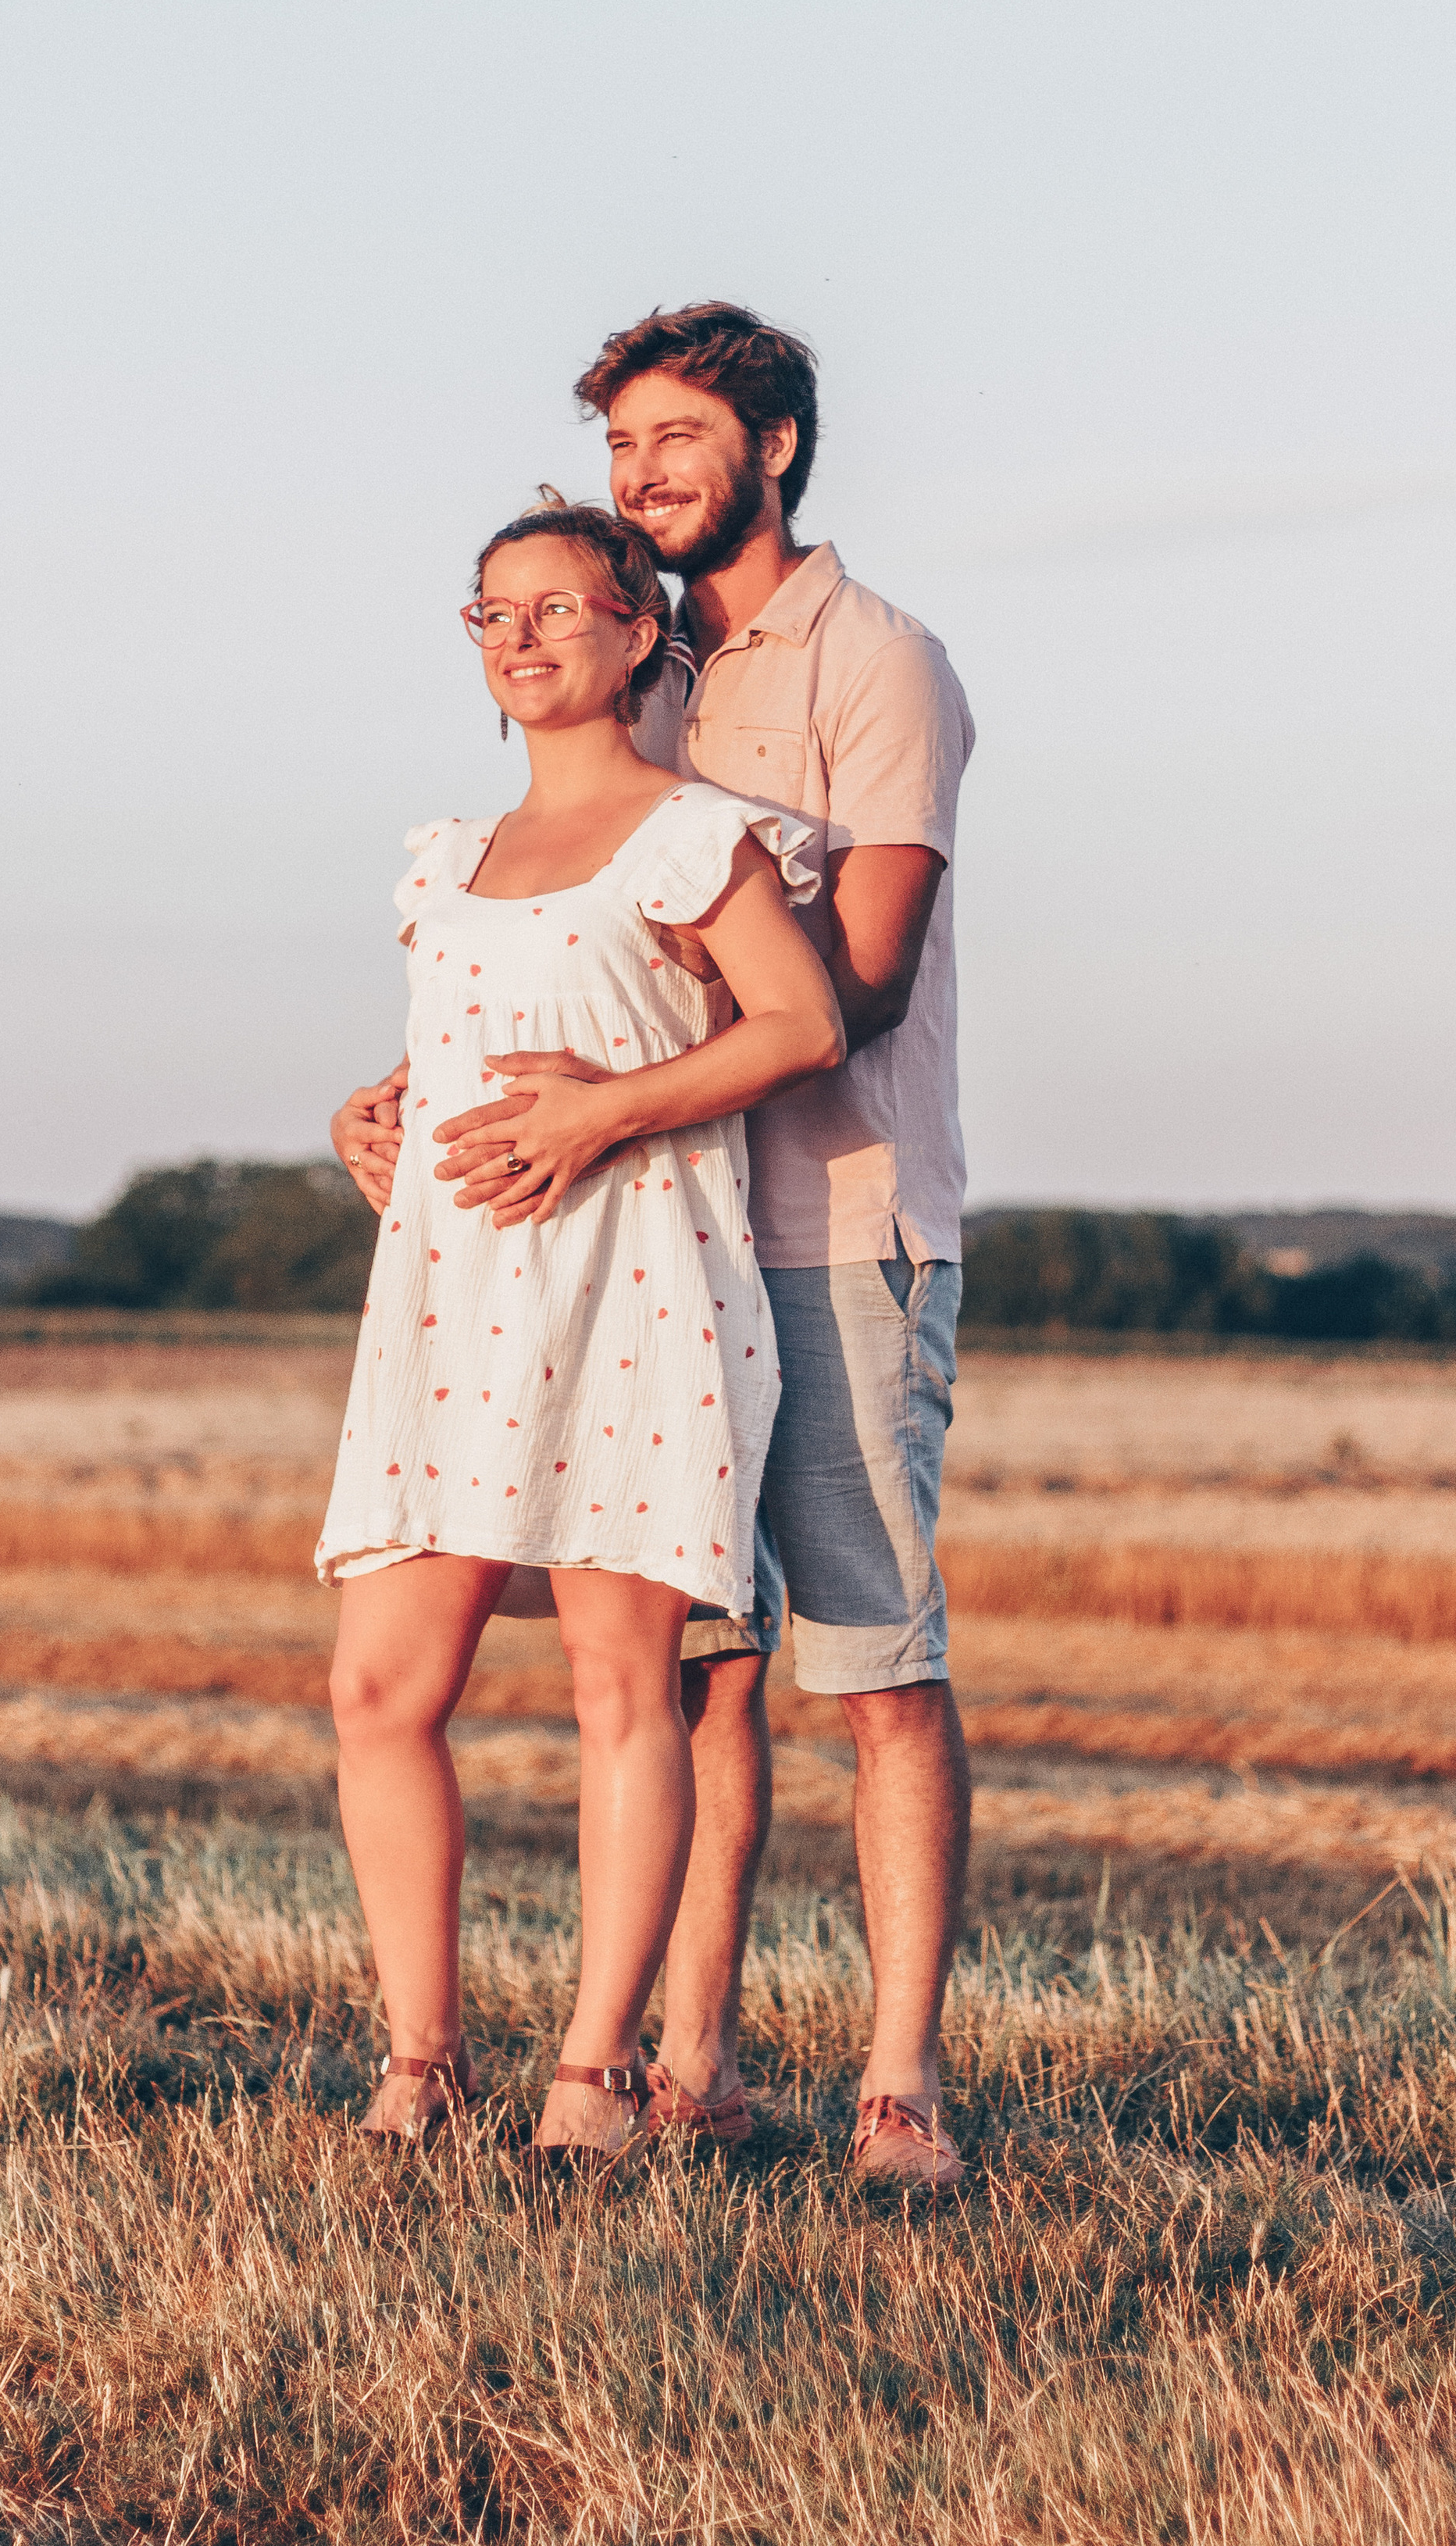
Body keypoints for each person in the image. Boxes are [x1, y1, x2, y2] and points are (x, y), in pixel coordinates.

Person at [340, 305, 977, 2188]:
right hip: (629, 1236)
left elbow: (844, 994)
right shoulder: (650, 666)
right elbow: (555, 960)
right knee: (696, 1673)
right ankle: (673, 2068)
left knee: (868, 1662)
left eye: (677, 437)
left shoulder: (876, 665)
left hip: (829, 1212)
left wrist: (599, 1093)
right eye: (623, 449)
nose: (645, 476)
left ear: (776, 445)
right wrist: (408, 1094)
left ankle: (897, 2092)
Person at [320, 492, 843, 2157]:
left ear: (638, 635)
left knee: (625, 1687)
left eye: (560, 608)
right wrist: (369, 1124)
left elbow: (801, 1022)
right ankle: (419, 2057)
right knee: (381, 1688)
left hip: (632, 1277)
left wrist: (610, 1109)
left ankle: (592, 2071)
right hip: (448, 1294)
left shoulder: (692, 835)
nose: (524, 635)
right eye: (494, 612)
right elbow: (452, 1052)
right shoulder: (439, 862)